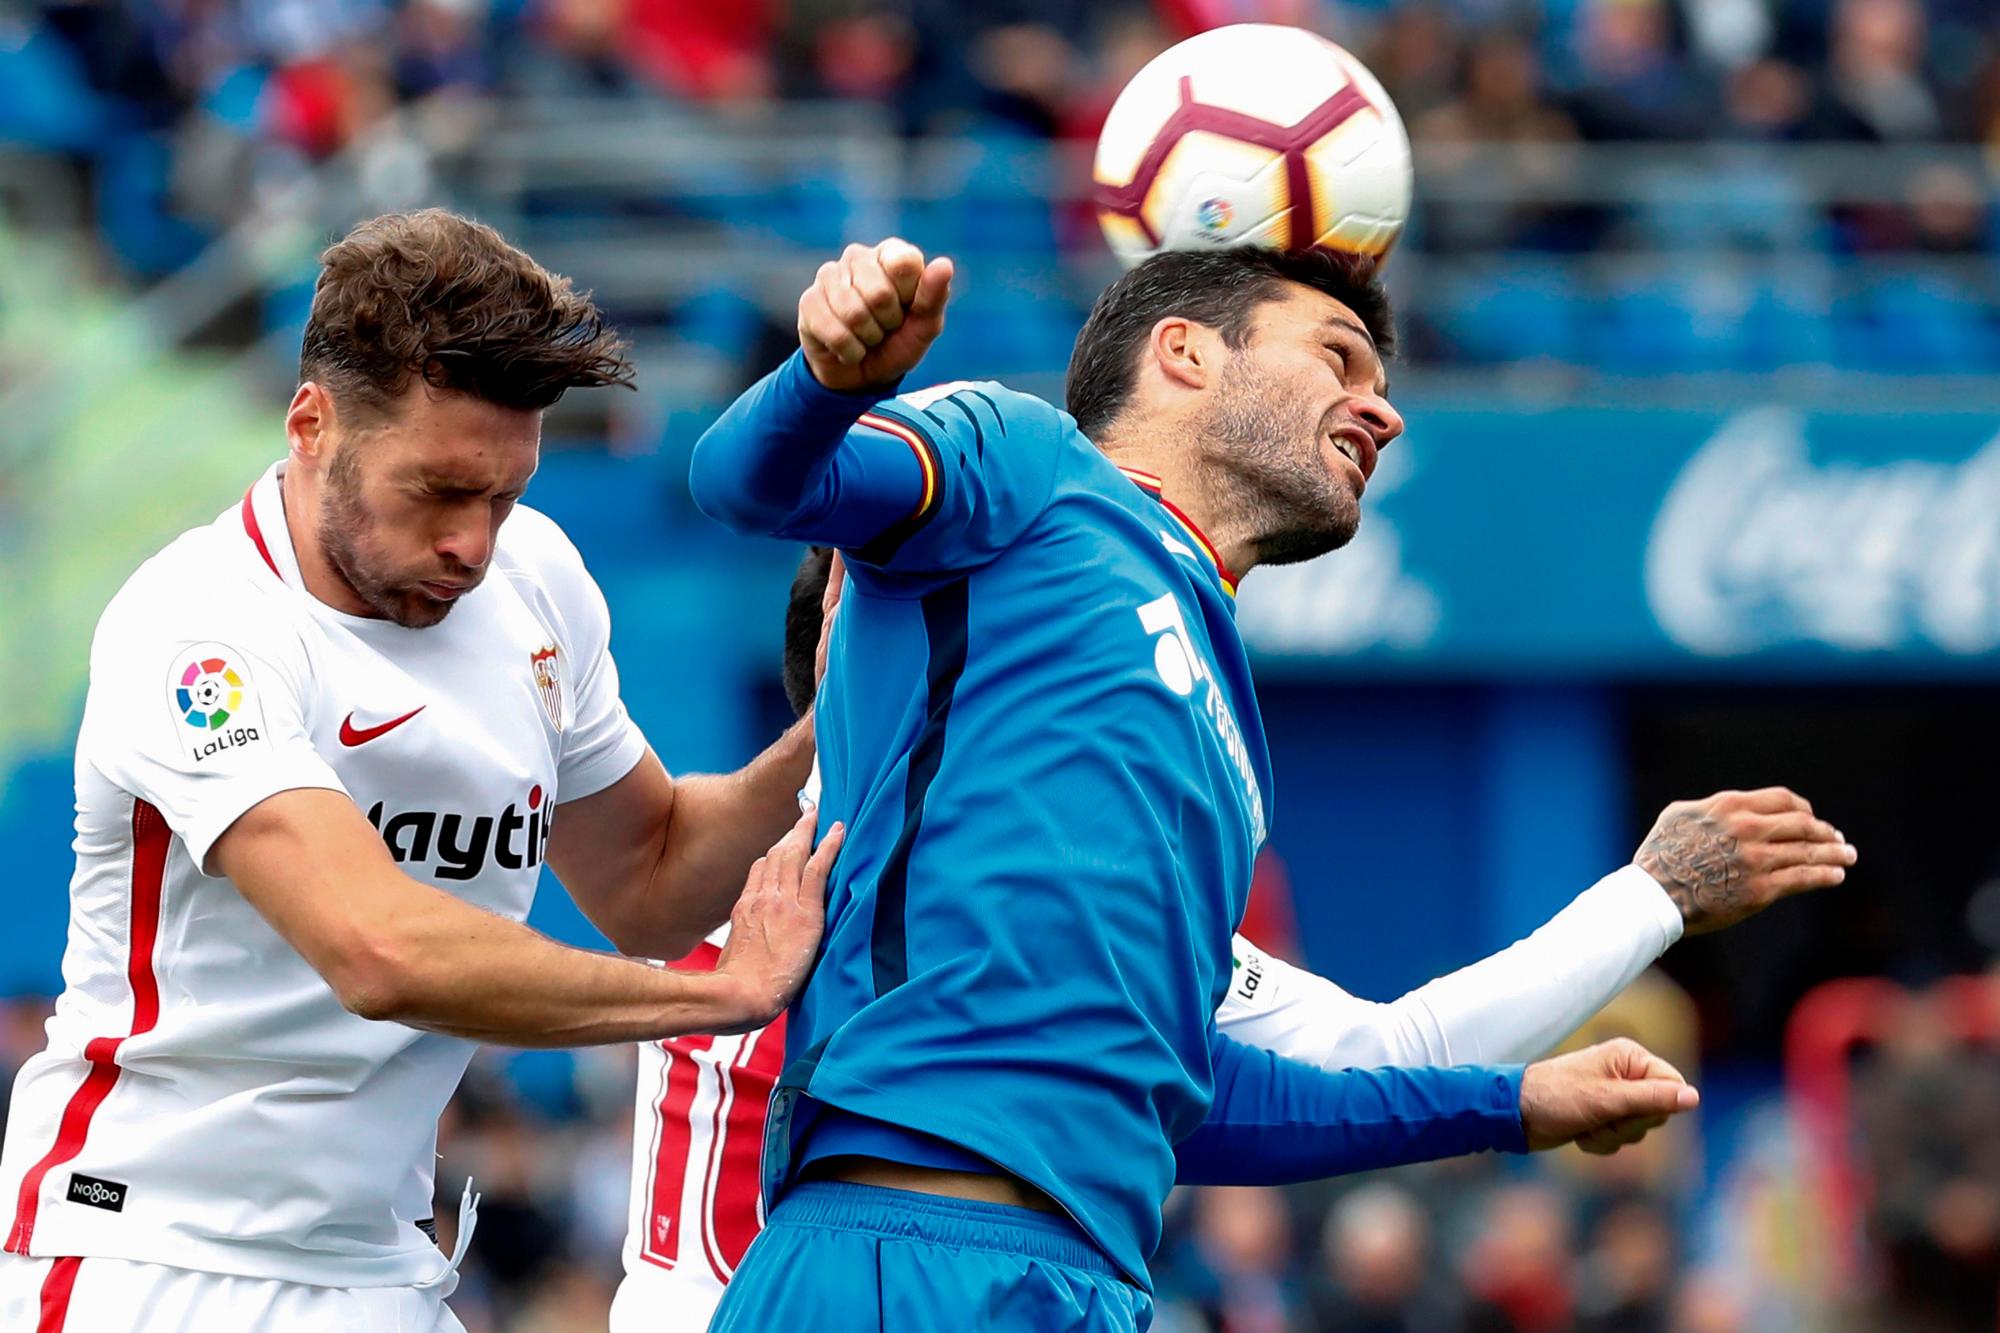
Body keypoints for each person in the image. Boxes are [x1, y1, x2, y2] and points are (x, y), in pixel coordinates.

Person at [685, 236, 1856, 1329]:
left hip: (1088, 1281)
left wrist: (1508, 1105)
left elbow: (1181, 1089)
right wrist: (826, 379)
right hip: (901, 1252)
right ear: (1183, 353)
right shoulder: (1030, 462)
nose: (1383, 409)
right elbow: (741, 483)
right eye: (1337, 357)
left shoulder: (1227, 735)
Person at [609, 546, 1856, 1329]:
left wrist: (1638, 912)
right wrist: (1645, 900)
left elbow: (1364, 1055)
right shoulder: (930, 884)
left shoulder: (991, 888)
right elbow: (1386, 1051)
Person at [0, 209, 837, 1333]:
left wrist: (831, 727)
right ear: (312, 423)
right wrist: (714, 996)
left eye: (504, 494)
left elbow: (653, 878)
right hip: (150, 1257)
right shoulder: (197, 628)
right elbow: (378, 949)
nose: (471, 544)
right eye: (438, 490)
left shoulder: (536, 580)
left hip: (379, 1263)